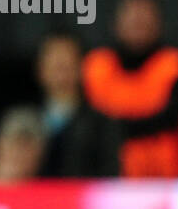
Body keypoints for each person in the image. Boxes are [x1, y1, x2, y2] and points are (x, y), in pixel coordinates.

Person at [82, 0, 178, 177]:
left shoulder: (174, 65)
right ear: (115, 23)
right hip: (106, 178)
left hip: (168, 179)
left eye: (145, 16)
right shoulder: (96, 66)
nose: (138, 23)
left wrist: (118, 126)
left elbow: (174, 118)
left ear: (159, 24)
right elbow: (90, 121)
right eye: (132, 16)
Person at [34, 32, 121, 177]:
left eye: (67, 65)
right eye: (55, 65)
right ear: (40, 69)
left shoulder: (102, 125)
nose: (61, 73)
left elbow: (110, 177)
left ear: (82, 68)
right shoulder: (26, 120)